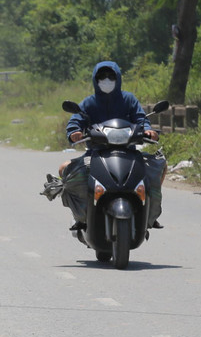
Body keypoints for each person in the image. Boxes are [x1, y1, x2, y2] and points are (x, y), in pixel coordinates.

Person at [59, 61, 164, 228]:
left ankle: (150, 214)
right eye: (102, 77)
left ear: (118, 78)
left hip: (129, 153)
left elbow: (141, 119)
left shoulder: (129, 99)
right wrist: (74, 133)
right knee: (65, 169)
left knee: (158, 166)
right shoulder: (88, 103)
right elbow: (75, 121)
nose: (106, 80)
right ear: (95, 79)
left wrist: (148, 130)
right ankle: (81, 215)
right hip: (96, 154)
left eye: (111, 76)